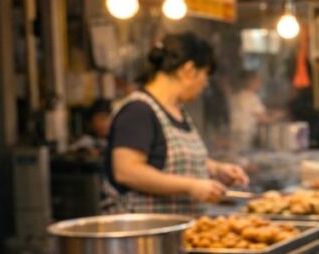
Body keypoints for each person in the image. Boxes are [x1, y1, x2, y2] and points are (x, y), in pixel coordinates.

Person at [103, 33, 247, 214]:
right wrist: (191, 186)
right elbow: (127, 171)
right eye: (204, 76)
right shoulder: (138, 111)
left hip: (179, 233)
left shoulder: (178, 111)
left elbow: (165, 159)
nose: (204, 85)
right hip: (146, 236)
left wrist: (216, 169)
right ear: (188, 70)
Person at [229, 70, 280, 153]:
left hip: (234, 133)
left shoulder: (238, 95)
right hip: (245, 135)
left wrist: (269, 112)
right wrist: (276, 118)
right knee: (244, 155)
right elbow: (262, 118)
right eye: (259, 81)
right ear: (252, 82)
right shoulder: (252, 97)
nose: (260, 84)